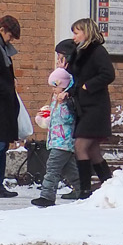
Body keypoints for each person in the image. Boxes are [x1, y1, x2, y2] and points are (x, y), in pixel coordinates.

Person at [66, 17, 115, 199]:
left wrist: (89, 86)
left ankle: (84, 190)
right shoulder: (79, 53)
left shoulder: (97, 51)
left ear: (86, 32)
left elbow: (108, 74)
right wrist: (69, 92)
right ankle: (108, 183)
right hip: (84, 106)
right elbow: (76, 79)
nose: (74, 36)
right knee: (93, 149)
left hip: (96, 107)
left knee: (80, 145)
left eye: (77, 32)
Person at [31, 64, 79, 208]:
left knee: (52, 168)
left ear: (63, 86)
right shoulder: (54, 99)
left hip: (63, 140)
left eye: (55, 86)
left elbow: (68, 119)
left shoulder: (68, 100)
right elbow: (53, 119)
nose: (53, 90)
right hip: (58, 141)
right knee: (68, 169)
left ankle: (47, 196)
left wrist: (61, 104)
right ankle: (83, 190)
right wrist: (44, 117)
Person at [0, 14, 22, 197]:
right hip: (2, 102)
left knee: (2, 145)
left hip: (5, 102)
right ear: (2, 30)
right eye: (10, 35)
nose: (11, 40)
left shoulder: (3, 48)